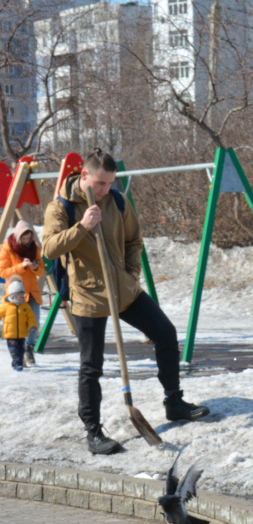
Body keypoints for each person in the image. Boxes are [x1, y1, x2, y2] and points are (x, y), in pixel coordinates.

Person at [42, 149, 208, 456]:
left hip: (124, 290)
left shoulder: (118, 202)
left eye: (109, 183)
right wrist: (82, 227)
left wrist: (130, 274)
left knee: (166, 333)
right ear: (84, 177)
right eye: (100, 183)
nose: (105, 190)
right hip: (88, 296)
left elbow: (134, 240)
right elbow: (49, 248)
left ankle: (174, 401)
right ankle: (93, 432)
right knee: (91, 366)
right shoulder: (61, 207)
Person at [0, 220, 45, 366]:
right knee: (17, 325)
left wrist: (33, 267)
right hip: (16, 293)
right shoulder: (7, 248)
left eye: (28, 238)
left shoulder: (34, 248)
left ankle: (29, 349)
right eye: (23, 239)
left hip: (32, 291)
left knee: (34, 322)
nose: (26, 242)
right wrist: (22, 266)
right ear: (18, 236)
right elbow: (2, 272)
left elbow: (42, 270)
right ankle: (17, 354)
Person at [2, 277, 36, 371]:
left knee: (21, 351)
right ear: (11, 296)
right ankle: (18, 365)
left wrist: (32, 326)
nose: (19, 299)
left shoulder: (25, 306)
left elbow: (31, 317)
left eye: (21, 296)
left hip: (22, 334)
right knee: (14, 350)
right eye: (16, 297)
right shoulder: (6, 306)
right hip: (10, 334)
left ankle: (16, 363)